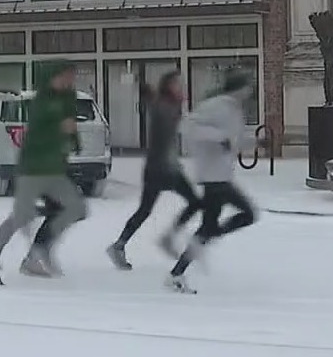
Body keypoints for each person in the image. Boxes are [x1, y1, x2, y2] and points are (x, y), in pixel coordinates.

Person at [0, 61, 87, 285]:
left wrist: (73, 140)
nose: (69, 81)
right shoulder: (43, 101)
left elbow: (70, 127)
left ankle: (38, 251)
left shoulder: (67, 99)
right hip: (33, 169)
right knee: (22, 217)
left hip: (55, 169)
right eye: (65, 76)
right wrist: (60, 130)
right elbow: (37, 135)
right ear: (53, 77)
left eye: (71, 77)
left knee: (76, 208)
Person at [165, 69, 263, 294]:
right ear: (239, 87)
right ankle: (195, 253)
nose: (250, 91)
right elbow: (188, 126)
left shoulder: (234, 109)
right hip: (213, 177)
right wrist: (219, 139)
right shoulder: (217, 105)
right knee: (248, 214)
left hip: (220, 176)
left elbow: (233, 140)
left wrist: (255, 143)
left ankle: (177, 272)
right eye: (247, 86)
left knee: (208, 227)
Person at [106, 70, 203, 270]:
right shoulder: (164, 107)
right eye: (177, 84)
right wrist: (148, 94)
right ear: (168, 87)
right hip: (162, 169)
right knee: (192, 203)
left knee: (146, 210)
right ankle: (166, 237)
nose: (181, 88)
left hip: (160, 168)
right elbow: (158, 111)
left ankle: (120, 244)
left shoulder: (170, 107)